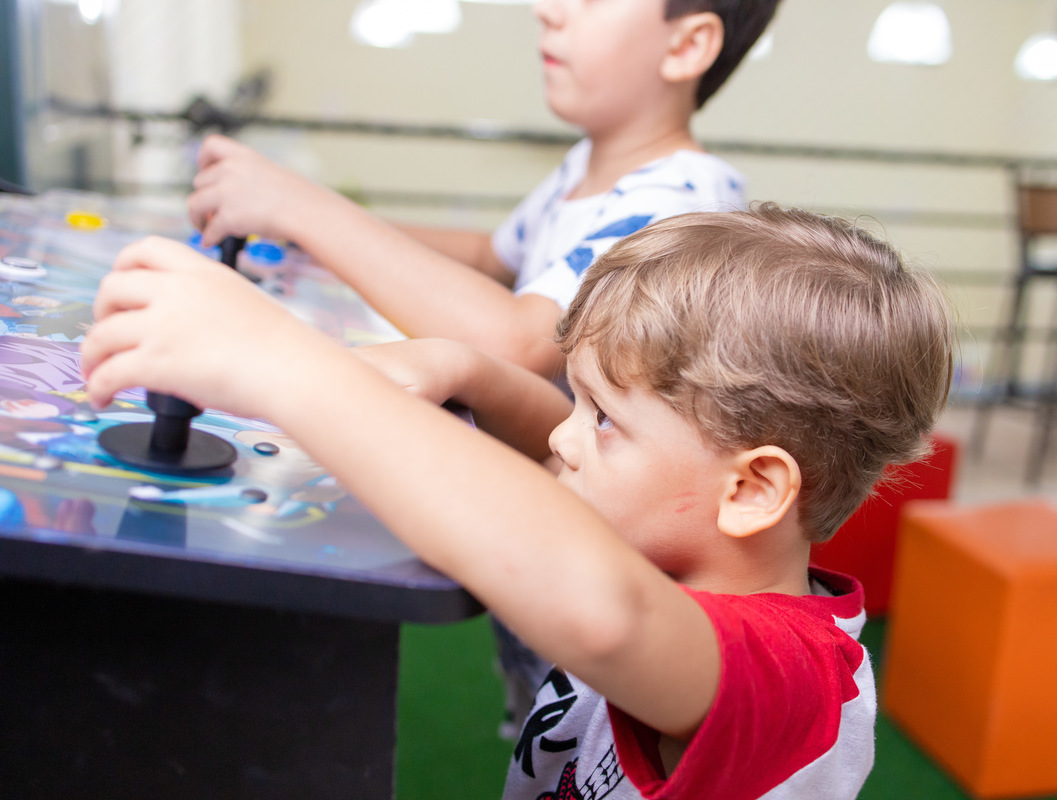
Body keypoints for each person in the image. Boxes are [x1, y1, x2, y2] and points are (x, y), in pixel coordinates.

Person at [83, 204, 955, 798]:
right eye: (577, 401)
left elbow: (605, 614)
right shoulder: (689, 536)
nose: (565, 440)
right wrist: (467, 371)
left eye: (604, 418)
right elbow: (584, 459)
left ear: (753, 487)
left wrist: (280, 365)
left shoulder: (794, 680)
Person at [186, 0, 780, 381]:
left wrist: (303, 207)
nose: (545, 9)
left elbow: (520, 341)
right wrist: (303, 225)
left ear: (686, 46)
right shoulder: (591, 165)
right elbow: (489, 258)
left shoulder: (680, 203)